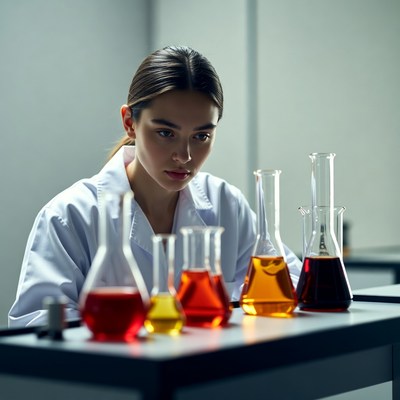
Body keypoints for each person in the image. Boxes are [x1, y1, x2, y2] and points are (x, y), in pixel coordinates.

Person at [8, 46, 302, 327]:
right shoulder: (70, 216)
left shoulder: (227, 204)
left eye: (201, 136)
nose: (184, 156)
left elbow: (294, 286)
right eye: (165, 133)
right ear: (129, 123)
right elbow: (37, 326)